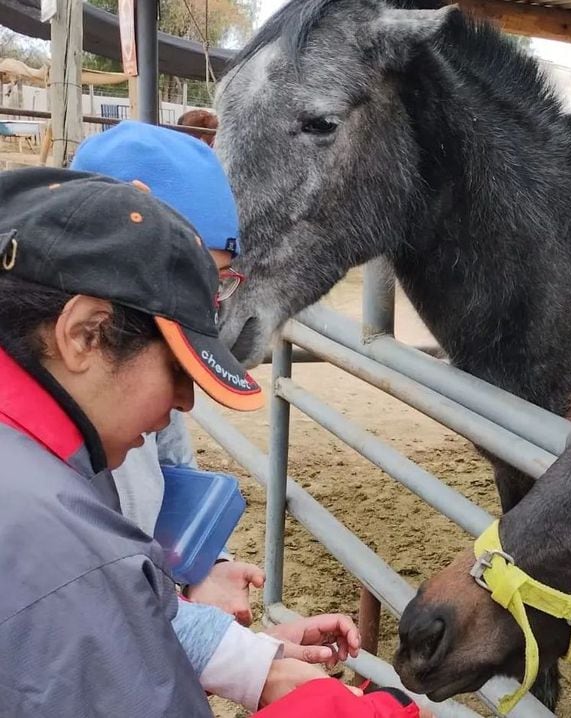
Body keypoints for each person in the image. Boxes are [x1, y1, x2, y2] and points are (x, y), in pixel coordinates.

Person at [0, 167, 426, 718]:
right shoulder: (61, 549)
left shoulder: (46, 473)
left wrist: (257, 667)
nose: (184, 403)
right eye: (177, 370)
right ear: (86, 334)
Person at [71, 120, 258, 623]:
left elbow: (170, 471)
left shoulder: (137, 378)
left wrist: (199, 567)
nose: (207, 306)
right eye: (193, 277)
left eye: (219, 283)